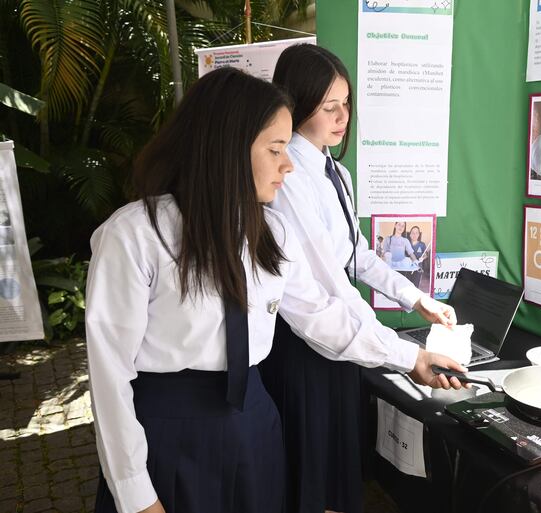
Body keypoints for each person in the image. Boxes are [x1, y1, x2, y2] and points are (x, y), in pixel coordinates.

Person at [85, 67, 465, 513]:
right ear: (226, 149)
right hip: (169, 434)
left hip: (254, 424)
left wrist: (412, 358)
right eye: (275, 149)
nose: (288, 164)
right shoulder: (134, 236)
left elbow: (320, 314)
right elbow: (108, 377)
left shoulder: (271, 232)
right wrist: (135, 494)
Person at [261, 44, 458, 513]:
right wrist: (405, 354)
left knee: (336, 473)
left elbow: (358, 255)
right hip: (304, 349)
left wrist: (416, 299)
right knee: (309, 476)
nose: (342, 116)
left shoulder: (337, 173)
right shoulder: (287, 179)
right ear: (295, 103)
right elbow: (318, 293)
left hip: (343, 341)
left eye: (346, 103)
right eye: (329, 106)